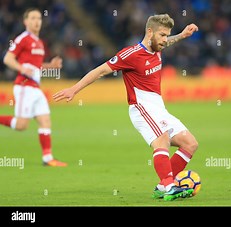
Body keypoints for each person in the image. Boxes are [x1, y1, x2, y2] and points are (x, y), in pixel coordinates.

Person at [53, 14, 198, 200]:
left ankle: (163, 185)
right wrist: (74, 89)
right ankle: (169, 186)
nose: (164, 40)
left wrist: (181, 35)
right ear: (149, 32)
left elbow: (167, 42)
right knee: (162, 139)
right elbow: (101, 70)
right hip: (141, 107)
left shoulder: (158, 46)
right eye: (162, 35)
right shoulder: (130, 54)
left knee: (190, 144)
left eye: (166, 35)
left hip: (158, 107)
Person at [0, 8, 67, 167]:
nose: (36, 21)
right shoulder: (23, 39)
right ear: (25, 21)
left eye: (38, 18)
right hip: (24, 86)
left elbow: (36, 66)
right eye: (32, 18)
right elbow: (7, 58)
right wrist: (21, 68)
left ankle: (47, 158)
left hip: (35, 87)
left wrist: (50, 66)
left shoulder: (39, 42)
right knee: (22, 125)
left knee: (45, 120)